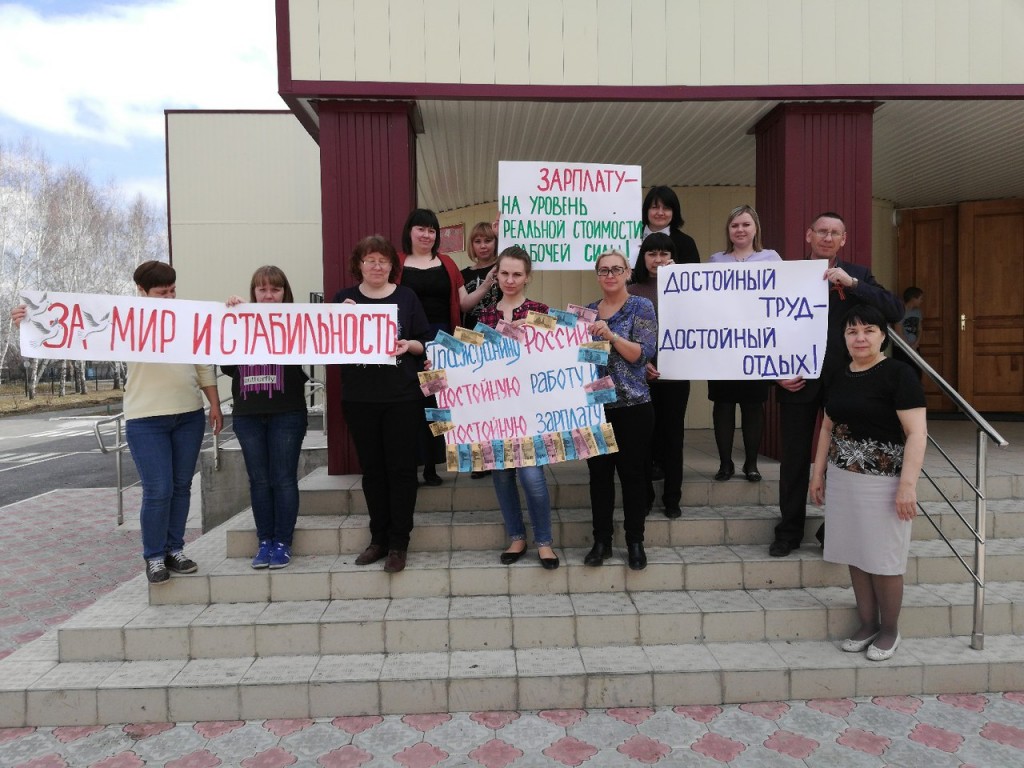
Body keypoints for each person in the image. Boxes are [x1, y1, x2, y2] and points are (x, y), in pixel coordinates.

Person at [11, 262, 223, 584]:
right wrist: (30, 321)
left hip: (189, 415)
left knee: (181, 487)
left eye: (173, 290)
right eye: (161, 292)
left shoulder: (186, 317)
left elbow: (203, 364)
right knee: (159, 489)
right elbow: (74, 330)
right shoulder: (121, 318)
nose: (169, 297)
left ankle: (175, 550)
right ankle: (154, 556)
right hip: (145, 419)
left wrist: (214, 404)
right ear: (141, 290)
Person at [773, 212, 904, 557]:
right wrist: (775, 373)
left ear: (843, 240)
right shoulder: (788, 274)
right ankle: (788, 531)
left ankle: (833, 531)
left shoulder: (858, 275)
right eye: (822, 231)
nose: (827, 238)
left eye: (834, 233)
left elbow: (895, 310)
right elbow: (766, 326)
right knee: (794, 459)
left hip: (846, 385)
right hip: (797, 380)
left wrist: (854, 284)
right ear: (809, 235)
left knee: (843, 459)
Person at [809, 304, 927, 661]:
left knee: (884, 559)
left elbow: (917, 433)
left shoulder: (899, 374)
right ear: (844, 338)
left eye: (868, 330)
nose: (860, 338)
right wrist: (818, 473)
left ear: (883, 336)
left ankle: (889, 630)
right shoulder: (838, 374)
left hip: (884, 483)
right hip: (843, 479)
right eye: (852, 331)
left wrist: (907, 486)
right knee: (856, 553)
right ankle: (867, 624)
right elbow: (827, 427)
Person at [335, 235, 431, 574]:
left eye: (383, 260)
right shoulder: (343, 300)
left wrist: (409, 345)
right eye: (370, 260)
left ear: (393, 265)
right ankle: (378, 539)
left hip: (402, 396)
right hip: (359, 397)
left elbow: (425, 341)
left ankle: (398, 542)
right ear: (359, 265)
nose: (377, 266)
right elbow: (327, 343)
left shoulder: (406, 297)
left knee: (402, 471)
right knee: (373, 471)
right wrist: (337, 319)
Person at [476, 246, 559, 569]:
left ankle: (544, 542)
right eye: (505, 273)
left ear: (527, 277)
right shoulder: (485, 315)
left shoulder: (540, 311)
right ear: (496, 275)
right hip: (495, 409)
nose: (510, 280)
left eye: (517, 274)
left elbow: (556, 356)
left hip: (531, 409)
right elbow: (472, 364)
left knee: (532, 477)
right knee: (501, 475)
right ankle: (516, 537)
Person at [222, 266, 309, 570]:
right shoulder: (239, 321)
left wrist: (347, 314)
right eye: (262, 289)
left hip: (288, 413)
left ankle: (283, 542)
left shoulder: (300, 322)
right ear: (254, 293)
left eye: (275, 289)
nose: (269, 295)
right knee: (259, 481)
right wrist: (233, 318)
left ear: (285, 293)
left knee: (283, 479)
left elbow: (322, 346)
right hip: (248, 414)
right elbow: (226, 366)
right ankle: (265, 541)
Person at [583, 250, 658, 570]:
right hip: (596, 409)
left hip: (633, 406)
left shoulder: (642, 306)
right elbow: (576, 360)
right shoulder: (586, 313)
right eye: (603, 270)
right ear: (597, 275)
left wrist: (611, 336)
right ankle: (601, 541)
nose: (610, 275)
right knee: (599, 477)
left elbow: (642, 355)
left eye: (616, 269)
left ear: (628, 272)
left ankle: (634, 540)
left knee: (633, 475)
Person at [396, 208, 475, 486]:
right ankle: (409, 464)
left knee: (437, 403)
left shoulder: (448, 264)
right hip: (405, 341)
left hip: (441, 341)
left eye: (432, 230)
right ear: (410, 231)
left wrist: (489, 281)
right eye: (421, 228)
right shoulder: (396, 263)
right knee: (409, 403)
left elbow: (464, 303)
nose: (427, 235)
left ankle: (432, 464)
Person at [707, 205, 782, 483]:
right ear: (728, 230)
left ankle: (751, 463)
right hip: (723, 347)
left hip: (756, 346)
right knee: (723, 405)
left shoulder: (771, 258)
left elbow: (785, 293)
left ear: (755, 228)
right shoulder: (716, 260)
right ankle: (725, 464)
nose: (740, 230)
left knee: (753, 406)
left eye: (745, 224)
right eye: (735, 225)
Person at [627, 232, 686, 518]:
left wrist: (680, 280)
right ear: (643, 257)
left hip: (676, 375)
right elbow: (626, 333)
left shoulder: (686, 287)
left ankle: (672, 498)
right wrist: (642, 363)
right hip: (641, 376)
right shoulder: (632, 290)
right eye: (652, 253)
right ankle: (646, 496)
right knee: (644, 439)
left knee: (673, 438)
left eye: (664, 253)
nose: (658, 259)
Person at [460, 221, 501, 479]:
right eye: (478, 241)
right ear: (471, 245)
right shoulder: (462, 274)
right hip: (471, 340)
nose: (483, 245)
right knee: (476, 401)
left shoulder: (504, 266)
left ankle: (498, 455)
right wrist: (485, 284)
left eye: (488, 240)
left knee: (498, 399)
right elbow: (463, 306)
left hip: (499, 340)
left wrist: (502, 232)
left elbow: (520, 252)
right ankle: (479, 458)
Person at [641, 186, 701, 266]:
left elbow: (692, 272)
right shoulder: (631, 237)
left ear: (674, 212)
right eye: (655, 207)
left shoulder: (686, 243)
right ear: (646, 210)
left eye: (666, 208)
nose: (660, 213)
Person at [893, 286, 924, 379]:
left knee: (917, 372)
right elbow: (898, 331)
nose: (921, 301)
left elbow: (919, 329)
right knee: (903, 374)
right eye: (920, 298)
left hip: (914, 347)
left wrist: (916, 344)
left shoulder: (917, 312)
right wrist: (908, 347)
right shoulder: (900, 311)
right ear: (913, 298)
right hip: (901, 348)